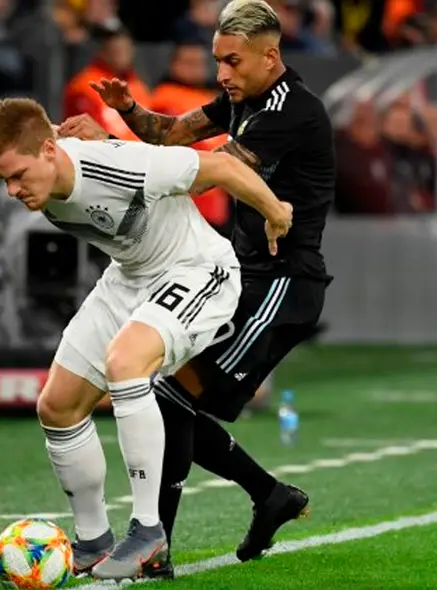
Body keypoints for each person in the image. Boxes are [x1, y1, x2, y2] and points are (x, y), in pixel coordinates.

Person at [58, 0, 335, 574]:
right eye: (217, 61)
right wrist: (127, 111)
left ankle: (159, 546)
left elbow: (210, 168)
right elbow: (170, 137)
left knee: (166, 394)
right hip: (245, 273)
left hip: (282, 284)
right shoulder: (243, 98)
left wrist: (103, 150)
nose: (222, 74)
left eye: (232, 62)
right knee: (164, 391)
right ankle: (265, 497)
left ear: (271, 56)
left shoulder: (291, 110)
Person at [0, 97, 293, 581]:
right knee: (56, 407)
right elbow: (48, 136)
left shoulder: (116, 166)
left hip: (197, 269)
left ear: (47, 151)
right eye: (4, 181)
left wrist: (275, 213)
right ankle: (93, 540)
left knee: (126, 364)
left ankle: (148, 532)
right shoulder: (47, 156)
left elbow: (219, 168)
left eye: (18, 175)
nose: (14, 190)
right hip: (129, 279)